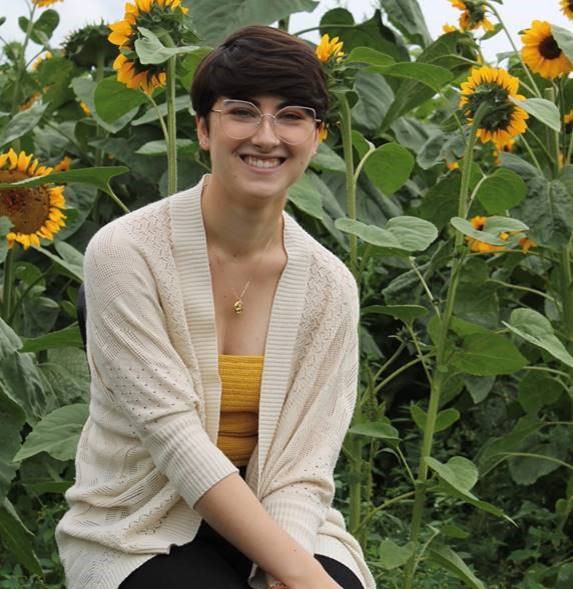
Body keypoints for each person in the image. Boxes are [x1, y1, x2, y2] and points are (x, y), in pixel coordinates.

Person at [55, 25, 376, 589]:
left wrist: (286, 566)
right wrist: (304, 578)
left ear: (318, 135)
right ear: (203, 128)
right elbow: (174, 440)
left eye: (293, 115)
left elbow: (304, 468)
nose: (267, 136)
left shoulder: (330, 286)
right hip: (138, 523)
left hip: (286, 515)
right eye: (243, 111)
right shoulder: (127, 253)